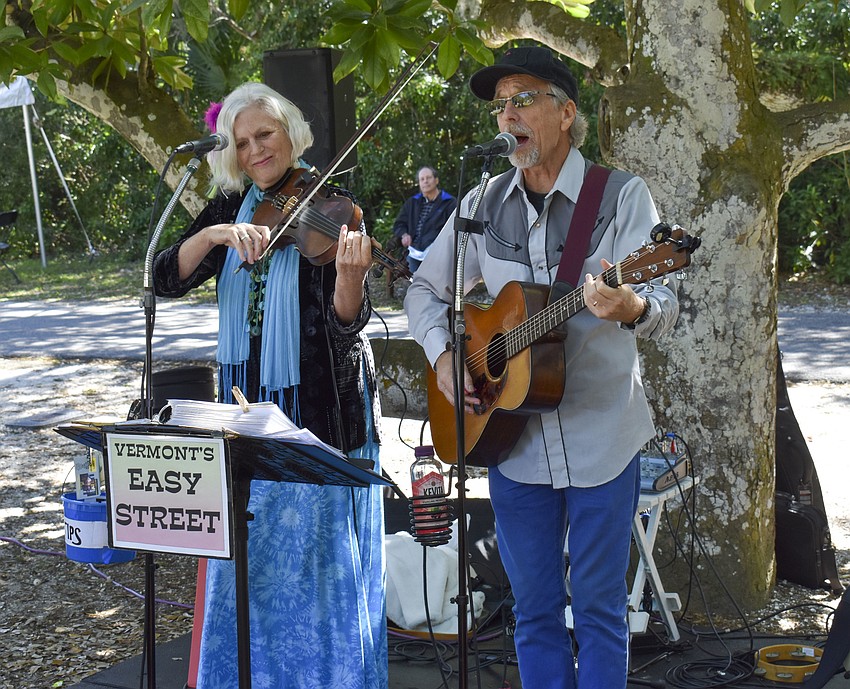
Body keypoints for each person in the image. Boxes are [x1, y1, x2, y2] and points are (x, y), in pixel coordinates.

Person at [404, 46, 680, 689]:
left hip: (601, 437)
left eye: (522, 98)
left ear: (566, 111)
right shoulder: (480, 203)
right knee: (532, 612)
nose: (507, 116)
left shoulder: (620, 196)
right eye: (500, 106)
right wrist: (446, 359)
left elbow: (663, 303)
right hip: (512, 442)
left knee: (601, 612)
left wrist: (630, 302)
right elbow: (425, 292)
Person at [152, 82, 387, 689]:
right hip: (245, 418)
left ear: (290, 134)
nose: (258, 149)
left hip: (320, 414)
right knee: (250, 572)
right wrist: (214, 237)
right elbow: (162, 278)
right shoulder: (231, 207)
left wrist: (351, 281)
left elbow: (347, 327)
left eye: (267, 134)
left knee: (317, 575)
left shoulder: (331, 204)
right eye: (244, 141)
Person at [391, 165, 456, 272]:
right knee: (414, 283)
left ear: (436, 180)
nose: (425, 181)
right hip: (414, 251)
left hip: (438, 253)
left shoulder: (449, 202)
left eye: (428, 178)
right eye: (422, 179)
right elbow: (399, 224)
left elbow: (454, 230)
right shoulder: (412, 202)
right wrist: (404, 234)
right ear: (419, 183)